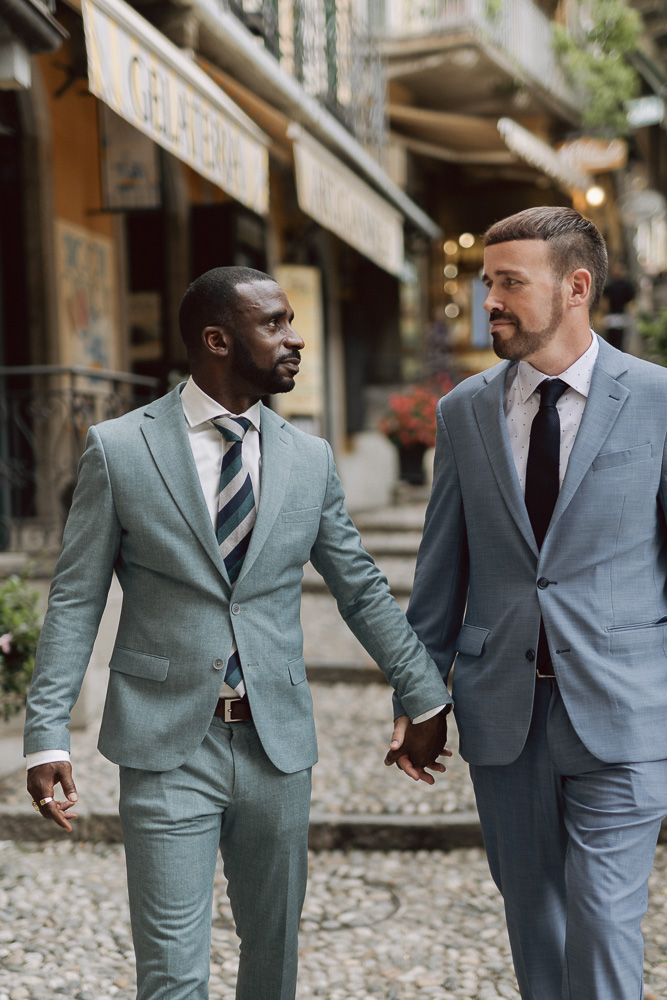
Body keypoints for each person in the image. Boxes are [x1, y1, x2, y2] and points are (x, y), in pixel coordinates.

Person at [24, 266, 451, 1000]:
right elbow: (75, 599)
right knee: (171, 973)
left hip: (275, 748)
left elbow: (360, 588)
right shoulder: (120, 447)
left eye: (290, 321)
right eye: (275, 324)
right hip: (163, 748)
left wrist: (424, 695)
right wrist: (47, 733)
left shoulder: (308, 460)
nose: (295, 339)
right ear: (217, 340)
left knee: (272, 958)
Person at [386, 207, 667, 1000]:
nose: (490, 302)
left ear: (575, 287)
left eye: (509, 282)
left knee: (604, 916)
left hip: (626, 706)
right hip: (503, 710)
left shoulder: (657, 400)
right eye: (486, 284)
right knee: (531, 914)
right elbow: (442, 572)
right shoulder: (463, 412)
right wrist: (418, 695)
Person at [602, 260, 635, 351]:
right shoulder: (609, 284)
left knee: (622, 340)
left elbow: (630, 302)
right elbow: (604, 300)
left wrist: (630, 315)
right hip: (611, 315)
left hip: (622, 316)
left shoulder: (627, 285)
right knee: (611, 339)